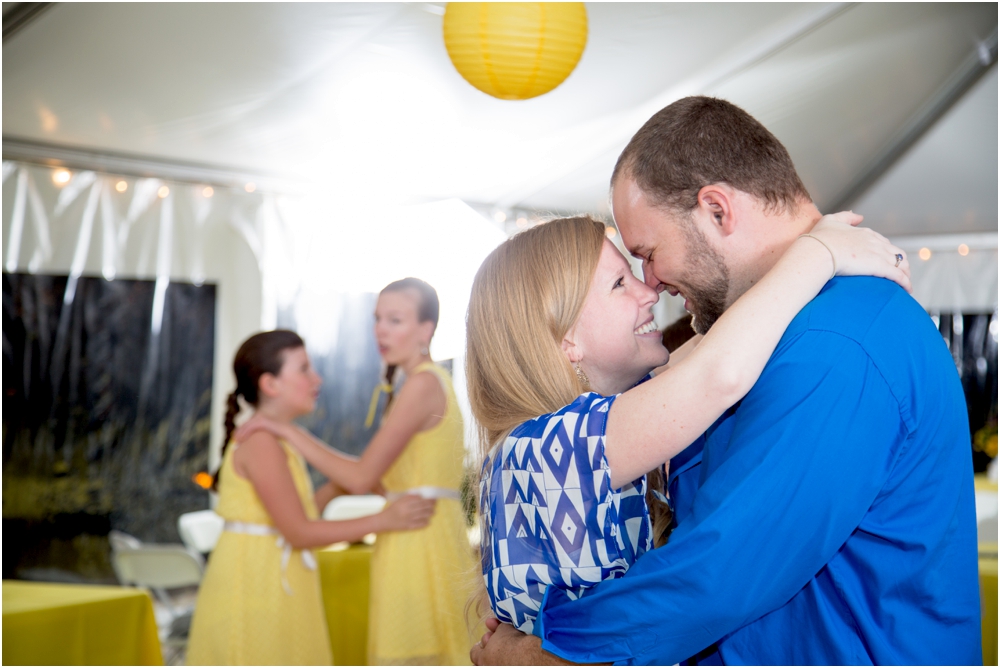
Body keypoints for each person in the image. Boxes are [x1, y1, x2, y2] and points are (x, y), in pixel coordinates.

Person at [471, 96, 982, 665]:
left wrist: (547, 652)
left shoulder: (833, 343)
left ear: (717, 210)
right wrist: (816, 250)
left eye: (648, 252)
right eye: (625, 276)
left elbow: (716, 574)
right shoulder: (773, 329)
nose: (652, 284)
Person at [466, 210, 906, 638]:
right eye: (619, 284)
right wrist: (819, 251)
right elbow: (718, 374)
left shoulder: (580, 432)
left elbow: (728, 336)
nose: (648, 293)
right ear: (567, 339)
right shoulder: (542, 447)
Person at [236, 278, 478, 665]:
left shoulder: (421, 385)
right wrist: (333, 491)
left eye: (395, 320)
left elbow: (364, 477)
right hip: (421, 532)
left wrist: (288, 431)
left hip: (418, 539)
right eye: (377, 318)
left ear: (426, 329)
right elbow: (375, 478)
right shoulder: (421, 383)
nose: (380, 329)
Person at [185, 329, 436, 666]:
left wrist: (333, 489)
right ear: (270, 384)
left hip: (271, 581)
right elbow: (298, 532)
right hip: (255, 588)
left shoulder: (276, 441)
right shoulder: (262, 444)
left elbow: (296, 515)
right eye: (304, 369)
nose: (316, 378)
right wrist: (384, 521)